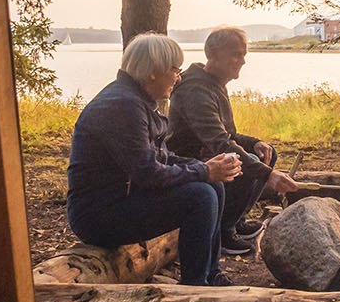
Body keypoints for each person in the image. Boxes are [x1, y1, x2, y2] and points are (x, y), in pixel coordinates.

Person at [65, 33, 243, 287]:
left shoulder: (136, 100)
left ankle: (210, 274)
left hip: (123, 200)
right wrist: (203, 171)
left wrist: (205, 168)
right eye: (175, 70)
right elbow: (148, 173)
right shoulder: (122, 106)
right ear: (152, 72)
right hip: (98, 216)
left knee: (213, 185)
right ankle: (195, 285)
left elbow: (161, 158)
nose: (178, 77)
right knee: (200, 196)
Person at [168, 26, 299, 255]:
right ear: (214, 54)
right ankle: (223, 231)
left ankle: (236, 220)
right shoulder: (195, 91)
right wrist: (268, 175)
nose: (243, 61)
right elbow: (220, 143)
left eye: (244, 54)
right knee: (244, 161)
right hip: (188, 161)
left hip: (210, 151)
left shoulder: (215, 82)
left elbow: (228, 134)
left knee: (265, 152)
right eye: (236, 55)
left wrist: (255, 142)